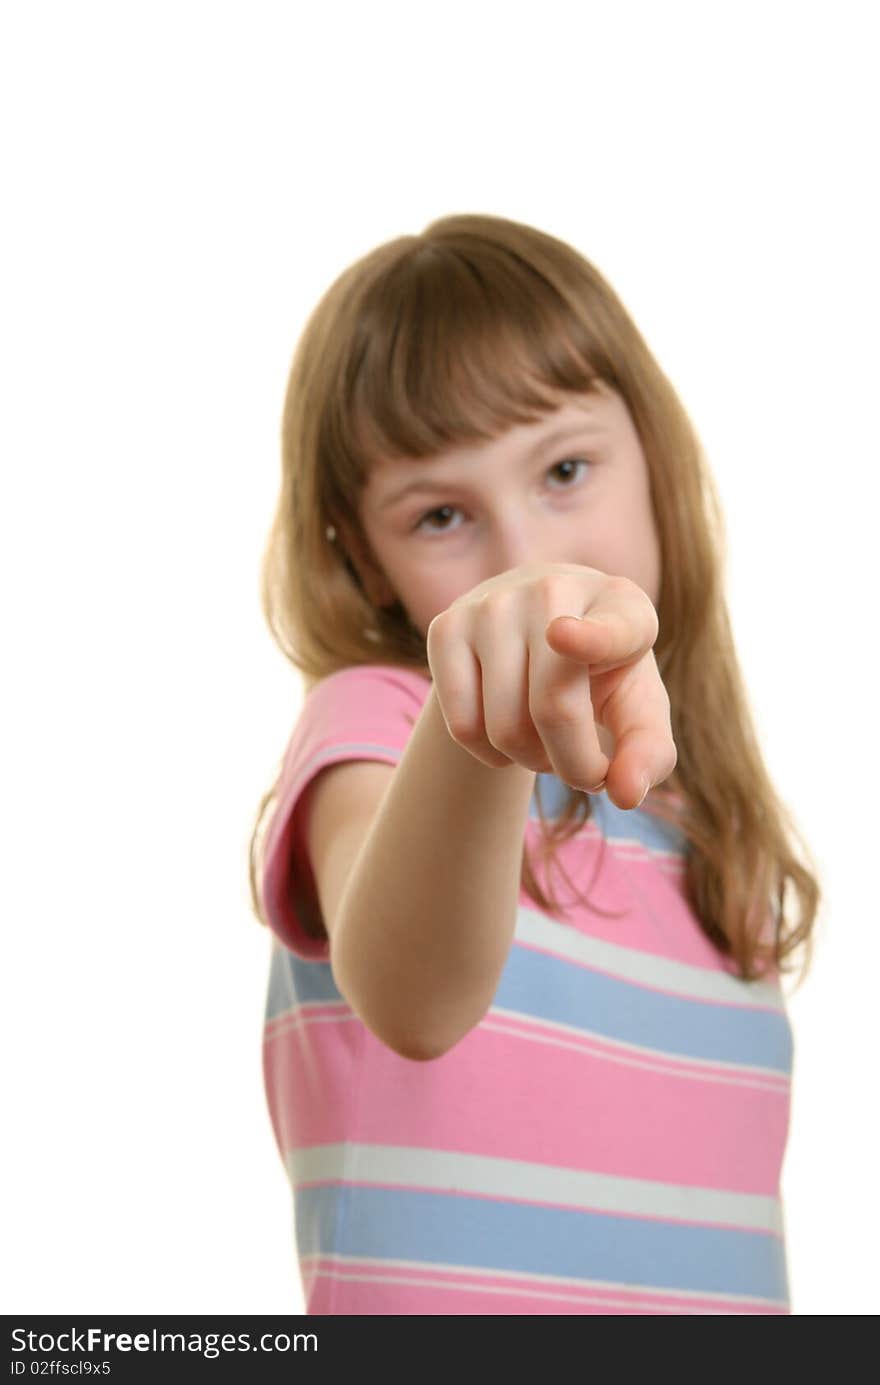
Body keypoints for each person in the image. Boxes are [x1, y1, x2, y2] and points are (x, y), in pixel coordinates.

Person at [248, 213, 822, 1315]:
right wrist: (477, 739)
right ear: (362, 561)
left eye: (563, 468)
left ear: (652, 452)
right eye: (442, 514)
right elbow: (410, 995)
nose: (521, 555)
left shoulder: (704, 821)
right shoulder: (378, 723)